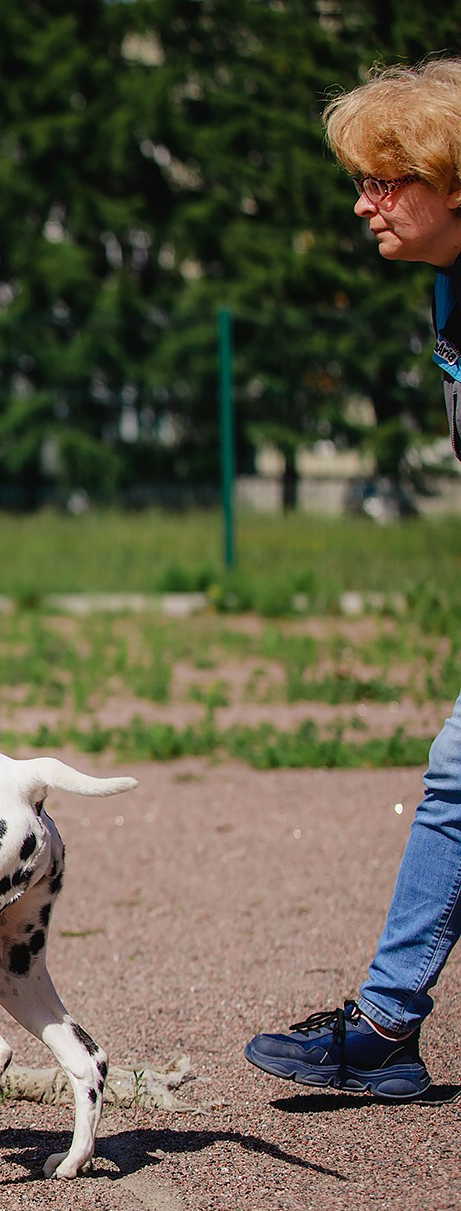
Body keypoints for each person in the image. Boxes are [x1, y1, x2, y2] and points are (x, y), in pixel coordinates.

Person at [245, 57, 461, 1100]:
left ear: (450, 180)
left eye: (383, 180)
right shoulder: (446, 283)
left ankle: (381, 1026)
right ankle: (383, 1025)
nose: (360, 202)